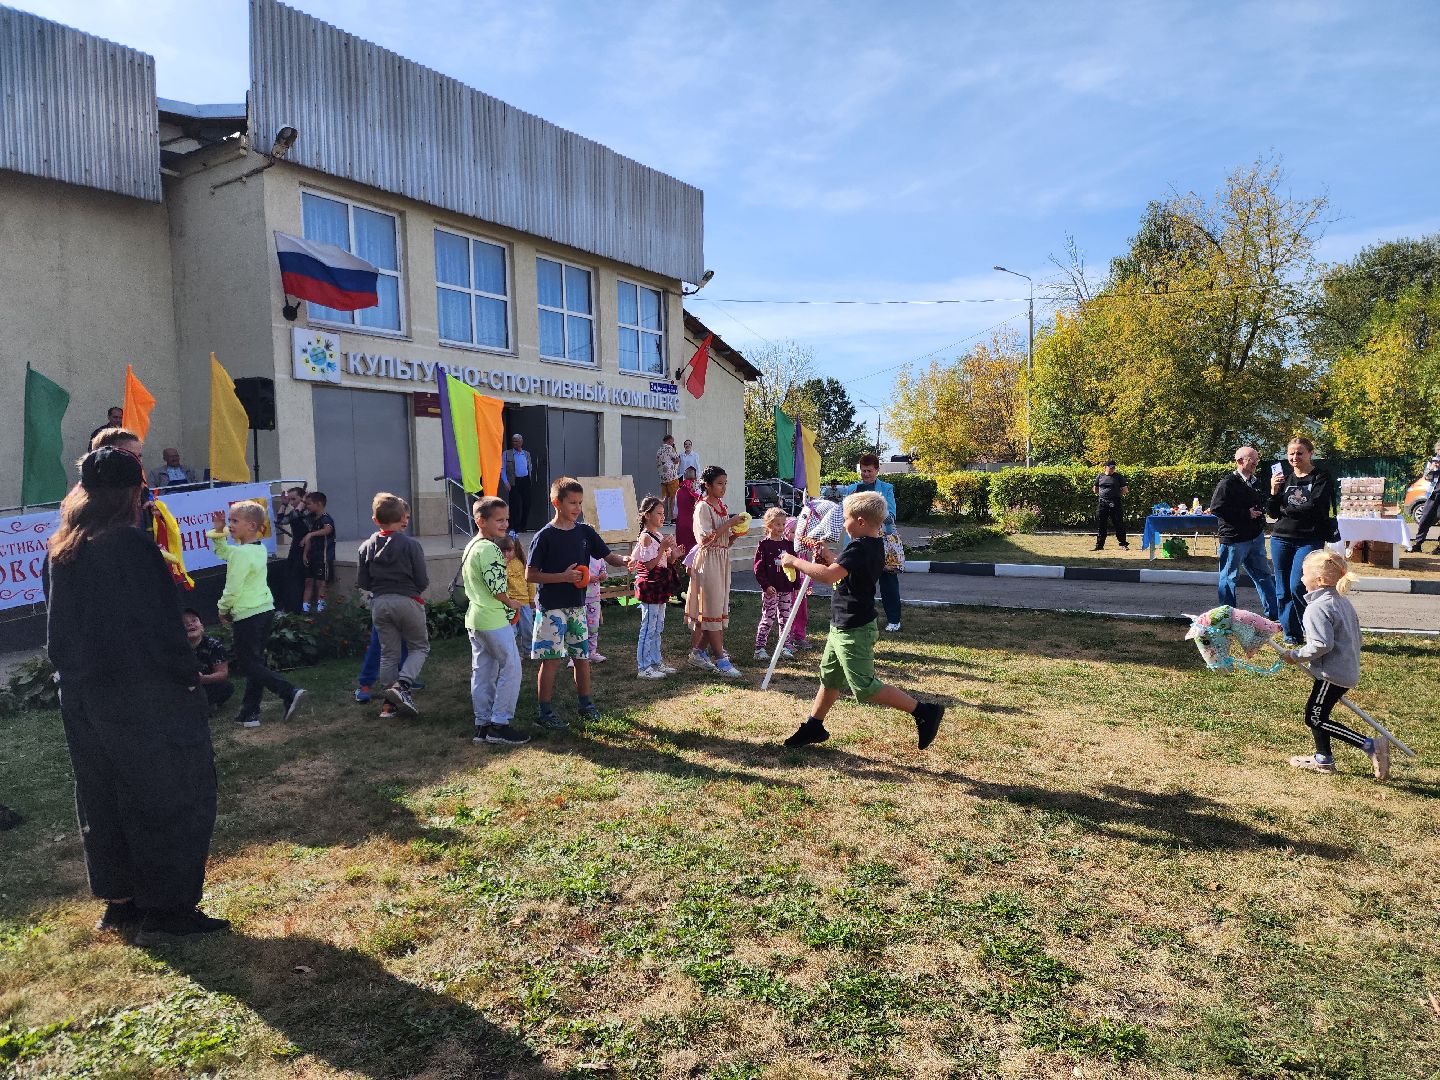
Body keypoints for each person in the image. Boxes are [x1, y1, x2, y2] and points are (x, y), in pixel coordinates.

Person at [44, 446, 226, 942]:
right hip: (142, 696)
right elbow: (151, 627)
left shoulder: (65, 545)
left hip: (85, 696)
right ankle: (167, 910)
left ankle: (120, 902)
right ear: (135, 491)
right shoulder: (128, 544)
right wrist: (190, 658)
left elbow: (68, 630)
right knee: (167, 795)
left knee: (102, 796)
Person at [778, 491, 945, 750]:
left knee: (865, 687)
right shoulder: (873, 544)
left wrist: (794, 561)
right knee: (831, 678)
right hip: (842, 624)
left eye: (845, 519)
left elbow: (827, 576)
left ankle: (924, 712)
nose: (843, 523)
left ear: (861, 521)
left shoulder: (859, 547)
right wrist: (832, 558)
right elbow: (845, 571)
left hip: (854, 628)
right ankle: (814, 726)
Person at [526, 477, 629, 729]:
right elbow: (531, 574)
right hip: (551, 608)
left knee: (582, 657)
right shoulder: (544, 537)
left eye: (580, 503)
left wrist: (628, 560)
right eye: (572, 502)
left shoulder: (585, 532)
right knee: (550, 660)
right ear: (556, 503)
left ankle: (586, 704)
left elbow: (609, 556)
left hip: (577, 607)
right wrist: (562, 577)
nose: (577, 508)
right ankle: (545, 712)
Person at [1281, 550, 1388, 779]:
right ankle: (1323, 760)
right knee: (1320, 712)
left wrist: (1295, 655)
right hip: (1346, 669)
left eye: (1304, 574)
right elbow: (1357, 637)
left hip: (1332, 673)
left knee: (1314, 717)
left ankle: (1370, 745)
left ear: (1318, 580)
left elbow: (1321, 645)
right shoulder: (1341, 601)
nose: (1301, 579)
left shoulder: (1317, 608)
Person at [208, 503, 306, 729]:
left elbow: (232, 587)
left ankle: (288, 691)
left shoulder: (242, 554)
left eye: (234, 521)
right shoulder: (257, 549)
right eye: (229, 521)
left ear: (251, 526)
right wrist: (219, 531)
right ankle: (249, 712)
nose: (230, 525)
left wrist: (223, 609)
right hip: (264, 610)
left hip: (248, 614)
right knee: (255, 662)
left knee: (248, 664)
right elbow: (223, 552)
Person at [356, 493, 430, 719]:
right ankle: (403, 685)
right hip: (408, 600)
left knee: (389, 654)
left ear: (375, 519)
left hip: (380, 602)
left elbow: (363, 582)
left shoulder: (365, 547)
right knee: (419, 647)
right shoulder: (411, 545)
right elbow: (422, 579)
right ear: (402, 518)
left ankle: (388, 707)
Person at [464, 497, 530, 746]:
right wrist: (510, 602)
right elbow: (497, 587)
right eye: (499, 520)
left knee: (483, 671)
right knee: (511, 667)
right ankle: (499, 724)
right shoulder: (490, 549)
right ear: (481, 521)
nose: (505, 524)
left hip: (476, 618)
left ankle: (482, 724)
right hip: (492, 619)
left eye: (507, 519)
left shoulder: (472, 545)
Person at [1268, 436, 1336, 646]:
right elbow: (1272, 512)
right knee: (1282, 589)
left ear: (1310, 454)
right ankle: (1291, 634)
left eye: (1300, 453)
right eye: (1291, 453)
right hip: (1281, 539)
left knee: (1299, 585)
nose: (1295, 457)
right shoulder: (1285, 480)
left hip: (1309, 538)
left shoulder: (1320, 477)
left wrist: (1286, 510)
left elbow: (1314, 508)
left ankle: (1312, 630)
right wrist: (1273, 491)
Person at [686, 465, 747, 677]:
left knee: (716, 609)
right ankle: (721, 659)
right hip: (708, 562)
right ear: (707, 485)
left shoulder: (721, 505)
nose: (723, 488)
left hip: (721, 560)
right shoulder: (702, 507)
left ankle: (698, 652)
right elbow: (704, 539)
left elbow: (723, 542)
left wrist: (735, 536)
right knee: (711, 608)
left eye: (725, 483)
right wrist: (729, 522)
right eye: (719, 483)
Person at [1209, 446, 1279, 620]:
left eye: (1256, 459)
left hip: (1255, 537)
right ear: (1240, 461)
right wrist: (1245, 513)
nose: (1256, 463)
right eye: (1252, 459)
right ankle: (1227, 617)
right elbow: (1217, 508)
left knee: (1264, 576)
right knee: (1229, 578)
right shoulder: (1227, 483)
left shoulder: (1255, 482)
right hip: (1234, 539)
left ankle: (1275, 616)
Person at [843, 454, 903, 632]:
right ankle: (857, 618)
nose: (866, 474)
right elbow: (845, 515)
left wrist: (871, 507)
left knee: (888, 581)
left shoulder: (886, 488)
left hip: (882, 541)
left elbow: (891, 517)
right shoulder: (852, 489)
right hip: (857, 541)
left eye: (869, 471)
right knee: (856, 582)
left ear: (877, 470)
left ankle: (894, 619)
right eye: (863, 471)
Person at [630, 495, 677, 678]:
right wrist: (662, 548)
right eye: (658, 513)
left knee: (658, 626)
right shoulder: (646, 538)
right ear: (647, 515)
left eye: (663, 513)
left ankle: (656, 662)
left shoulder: (658, 535)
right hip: (650, 586)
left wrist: (674, 554)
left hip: (660, 585)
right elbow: (649, 565)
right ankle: (644, 667)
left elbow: (665, 562)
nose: (662, 516)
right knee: (648, 626)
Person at [753, 507, 799, 660]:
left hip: (786, 589)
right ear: (769, 525)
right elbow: (758, 569)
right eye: (777, 524)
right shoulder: (764, 546)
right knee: (768, 618)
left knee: (786, 618)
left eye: (782, 524)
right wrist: (766, 586)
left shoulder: (788, 545)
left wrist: (796, 585)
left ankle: (785, 646)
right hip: (771, 591)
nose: (780, 527)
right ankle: (760, 649)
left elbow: (794, 565)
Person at [182, 608, 233, 713]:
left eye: (194, 621)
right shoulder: (175, 649)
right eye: (185, 623)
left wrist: (202, 678)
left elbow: (222, 673)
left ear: (202, 627)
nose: (190, 624)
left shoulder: (213, 645)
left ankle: (202, 706)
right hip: (183, 687)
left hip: (205, 684)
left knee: (226, 687)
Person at [275, 486, 311, 612]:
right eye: (289, 500)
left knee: (301, 579)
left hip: (307, 549)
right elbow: (280, 521)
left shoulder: (308, 512)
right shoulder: (295, 512)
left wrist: (303, 503)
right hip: (295, 548)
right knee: (290, 577)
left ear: (302, 498)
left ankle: (301, 609)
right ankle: (290, 608)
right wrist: (283, 505)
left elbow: (297, 515)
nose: (292, 502)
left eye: (294, 499)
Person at [298, 491, 335, 612]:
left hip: (322, 557)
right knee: (308, 582)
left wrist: (311, 534)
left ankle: (320, 611)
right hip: (311, 556)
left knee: (321, 584)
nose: (307, 507)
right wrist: (305, 554)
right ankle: (305, 610)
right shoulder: (311, 519)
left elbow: (327, 530)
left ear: (319, 504)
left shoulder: (326, 518)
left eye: (309, 504)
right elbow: (309, 539)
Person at [503, 533, 536, 648]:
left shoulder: (521, 563)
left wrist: (532, 599)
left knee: (527, 629)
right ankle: (514, 652)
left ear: (515, 549)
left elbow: (530, 583)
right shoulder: (500, 565)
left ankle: (528, 650)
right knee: (512, 631)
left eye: (509, 550)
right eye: (503, 551)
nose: (506, 554)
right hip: (509, 604)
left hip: (524, 603)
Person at [783, 515, 810, 650]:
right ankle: (788, 637)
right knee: (789, 612)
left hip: (801, 587)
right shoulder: (784, 548)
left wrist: (808, 585)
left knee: (801, 613)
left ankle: (800, 636)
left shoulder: (801, 549)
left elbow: (806, 566)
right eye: (793, 532)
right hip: (789, 588)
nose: (796, 535)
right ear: (786, 532)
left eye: (799, 532)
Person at [1092, 460, 1130, 551]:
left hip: (1115, 503)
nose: (1112, 469)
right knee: (1102, 524)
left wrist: (1116, 495)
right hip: (1102, 503)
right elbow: (1095, 489)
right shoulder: (1100, 476)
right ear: (1105, 467)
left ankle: (1123, 544)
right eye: (1110, 467)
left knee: (1118, 524)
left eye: (1114, 467)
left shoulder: (1118, 477)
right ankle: (1099, 546)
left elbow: (1125, 490)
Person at [1409, 439, 1440, 552]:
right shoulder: (1433, 460)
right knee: (1425, 518)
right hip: (1433, 494)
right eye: (1438, 449)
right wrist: (1431, 469)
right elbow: (1426, 477)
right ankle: (1418, 545)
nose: (1439, 452)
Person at [501, 434, 535, 532]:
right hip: (513, 481)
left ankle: (523, 526)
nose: (515, 443)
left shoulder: (526, 454)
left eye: (517, 441)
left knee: (527, 504)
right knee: (515, 505)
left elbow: (530, 467)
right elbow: (502, 469)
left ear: (521, 442)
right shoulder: (507, 454)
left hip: (525, 481)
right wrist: (506, 482)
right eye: (513, 441)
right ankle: (514, 527)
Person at [582, 555, 609, 663]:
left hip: (594, 597)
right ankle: (576, 656)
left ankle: (592, 652)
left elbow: (604, 571)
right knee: (579, 628)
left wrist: (603, 575)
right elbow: (574, 574)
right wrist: (588, 578)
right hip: (580, 598)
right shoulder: (578, 554)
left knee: (593, 627)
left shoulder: (598, 557)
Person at [656, 434, 682, 523]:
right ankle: (673, 517)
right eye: (672, 442)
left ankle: (660, 517)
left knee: (664, 498)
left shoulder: (659, 450)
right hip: (672, 477)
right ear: (670, 441)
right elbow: (677, 459)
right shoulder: (670, 448)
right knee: (674, 497)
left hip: (663, 478)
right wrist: (674, 449)